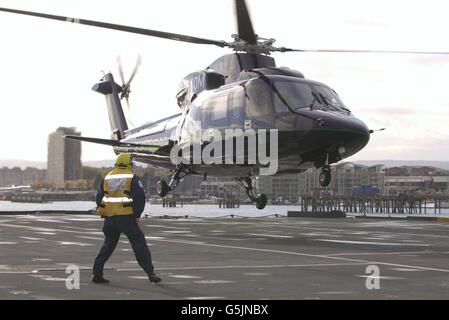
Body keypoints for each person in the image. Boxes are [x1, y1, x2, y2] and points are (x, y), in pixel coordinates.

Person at [92, 153, 161, 284]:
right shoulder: (132, 177)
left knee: (108, 245)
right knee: (139, 243)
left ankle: (97, 273)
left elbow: (99, 197)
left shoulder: (107, 177)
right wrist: (137, 215)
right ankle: (150, 273)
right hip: (126, 218)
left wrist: (104, 212)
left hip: (110, 218)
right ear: (129, 164)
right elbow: (139, 197)